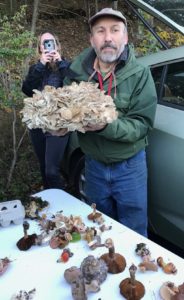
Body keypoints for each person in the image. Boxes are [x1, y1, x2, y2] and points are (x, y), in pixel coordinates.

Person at [63, 8, 157, 237]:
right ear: (91, 39)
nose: (108, 38)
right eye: (100, 31)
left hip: (130, 167)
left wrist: (106, 126)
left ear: (125, 38)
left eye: (115, 31)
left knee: (133, 230)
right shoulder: (76, 73)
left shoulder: (140, 74)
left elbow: (142, 124)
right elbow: (64, 110)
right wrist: (60, 127)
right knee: (98, 226)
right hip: (93, 165)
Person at [22, 32, 70, 190]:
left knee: (51, 171)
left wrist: (60, 63)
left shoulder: (66, 65)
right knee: (43, 167)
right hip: (37, 123)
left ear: (57, 45)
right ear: (40, 48)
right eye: (44, 43)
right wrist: (41, 65)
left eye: (51, 42)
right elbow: (28, 90)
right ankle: (49, 202)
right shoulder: (35, 68)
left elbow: (74, 87)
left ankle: (62, 204)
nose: (48, 46)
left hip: (58, 124)